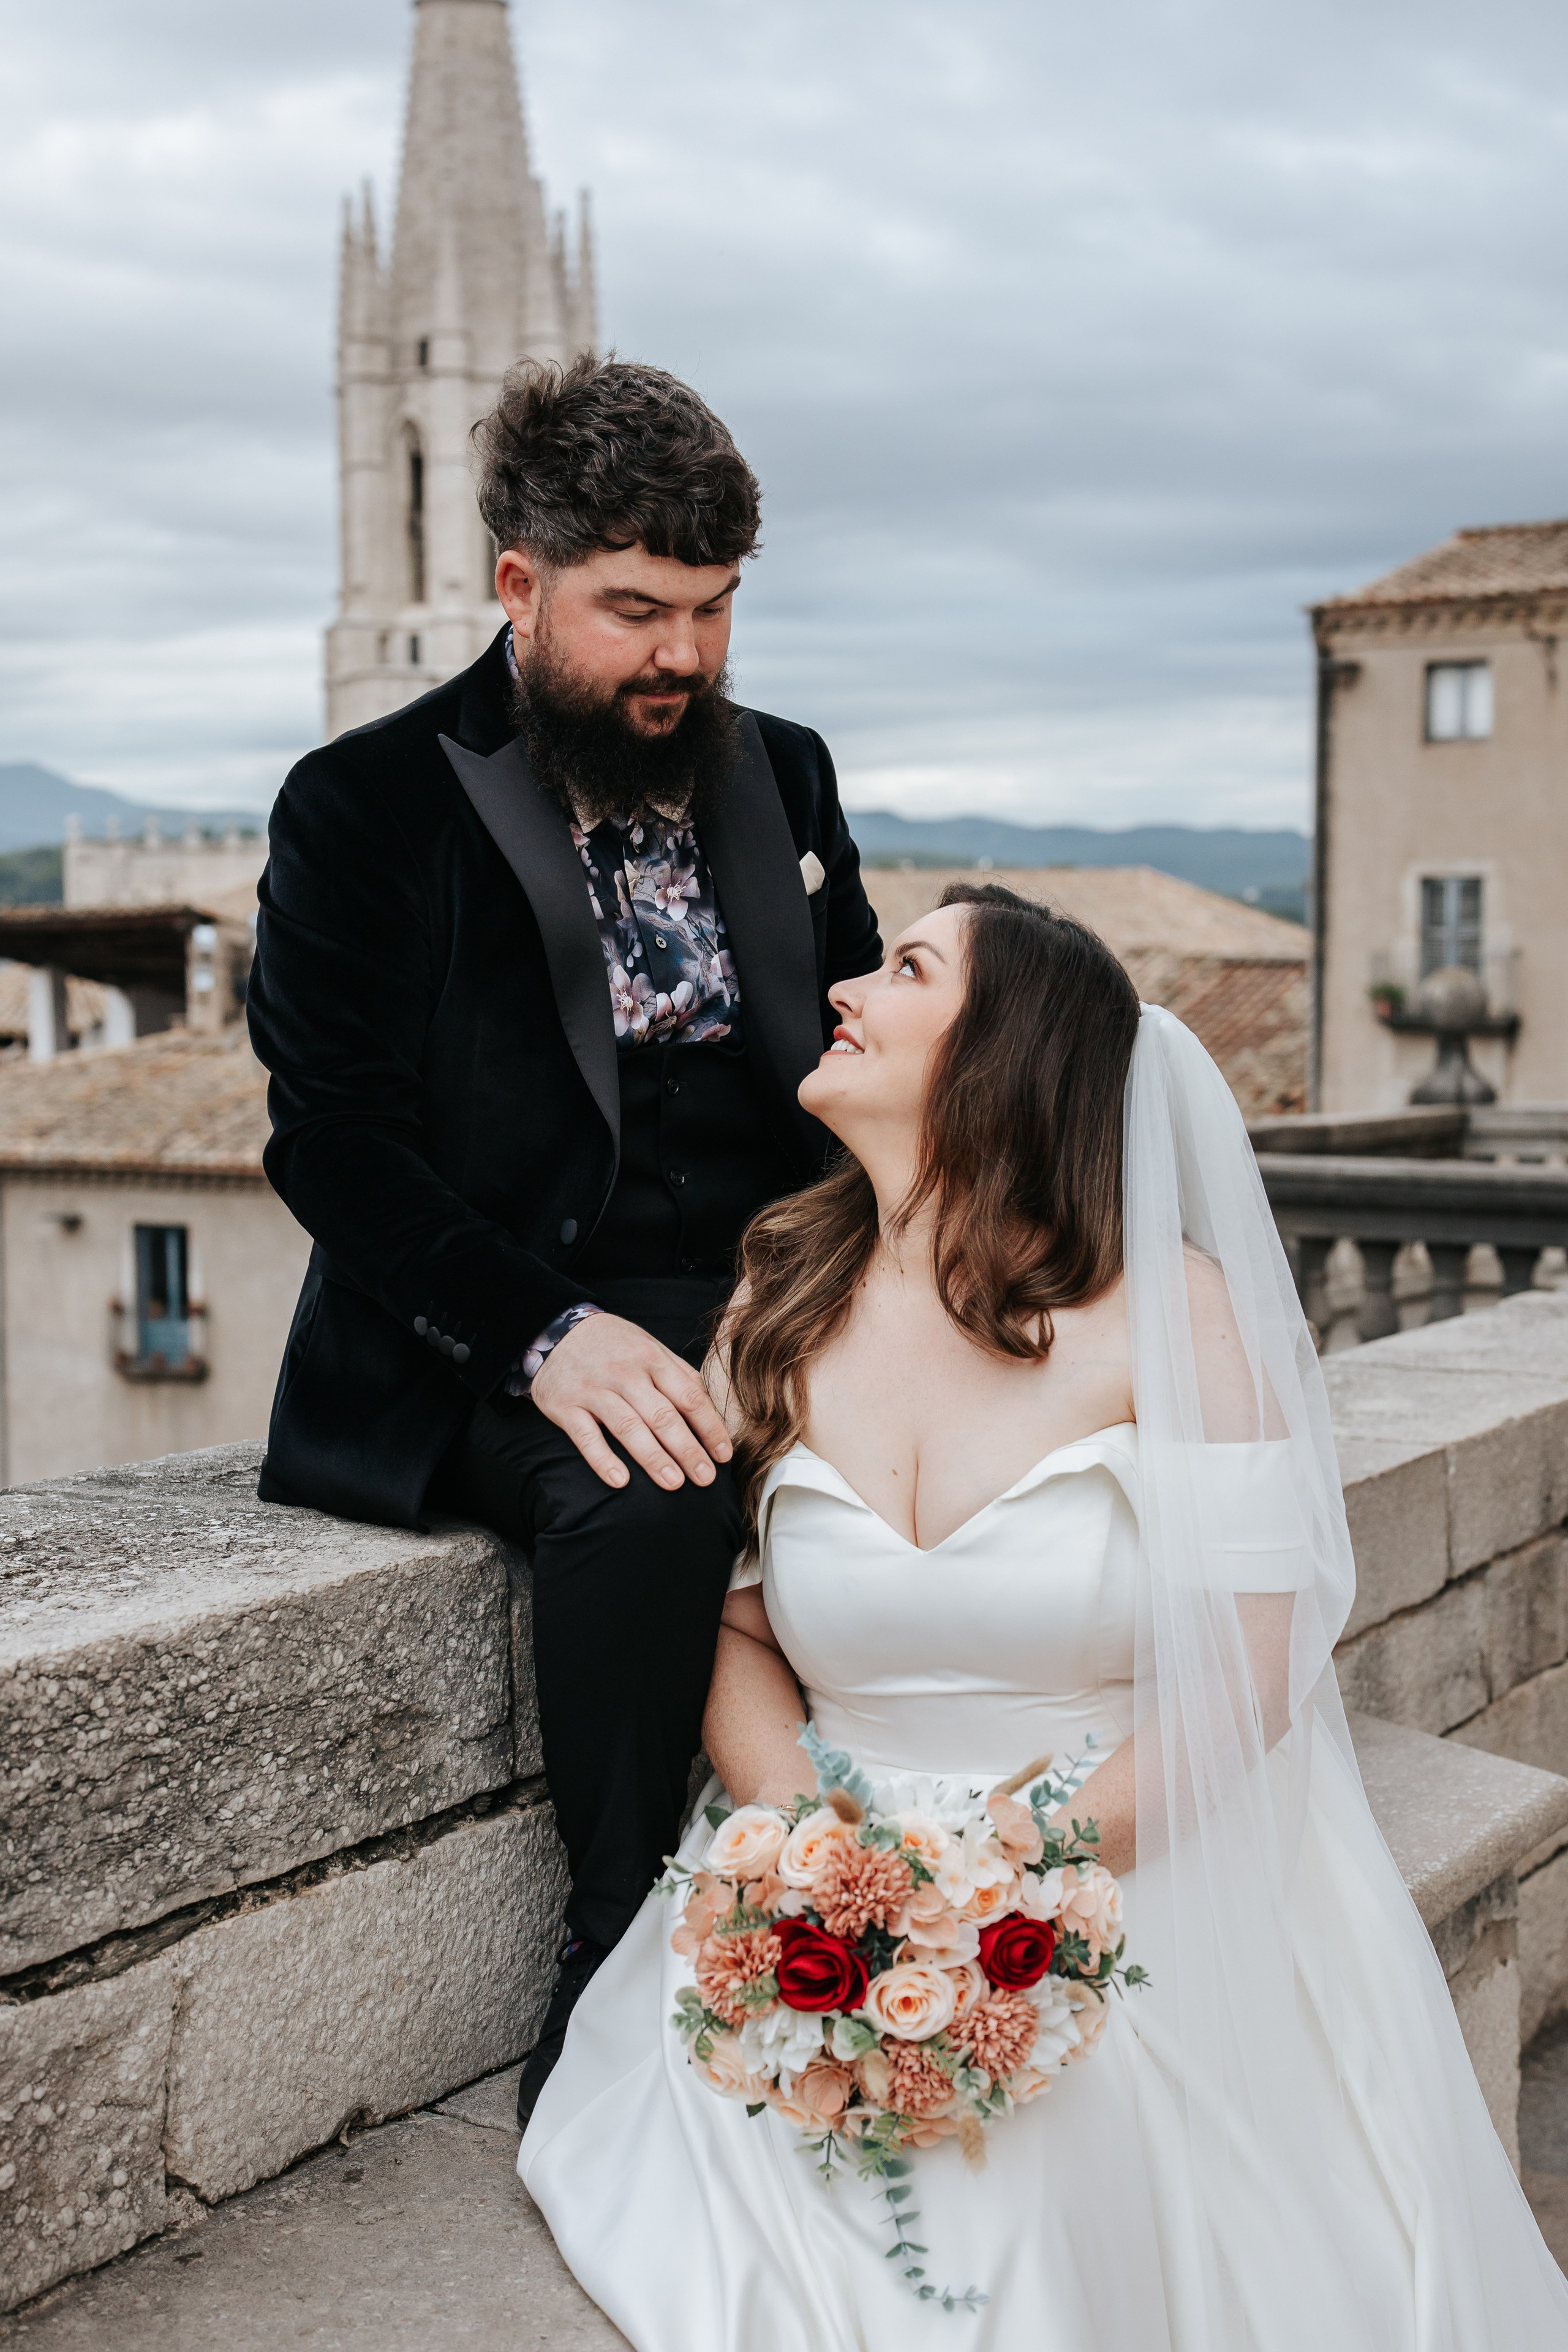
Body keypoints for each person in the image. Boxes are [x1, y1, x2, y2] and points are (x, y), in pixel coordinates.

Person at [519, 883, 1568, 2350]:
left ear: (1002, 1053)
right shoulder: (774, 1304)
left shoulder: (1173, 1316)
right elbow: (740, 1635)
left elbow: (1255, 1665)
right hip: (823, 1867)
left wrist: (1021, 1869)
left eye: (901, 970)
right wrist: (821, 1858)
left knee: (1053, 2186)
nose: (843, 991)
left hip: (1124, 1851)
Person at [246, 356, 881, 2125]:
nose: (682, 656)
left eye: (712, 609)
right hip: (475, 1333)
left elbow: (849, 1067)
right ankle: (617, 1958)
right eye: (635, 612)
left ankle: (953, 1891)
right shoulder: (358, 805)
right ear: (516, 587)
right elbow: (338, 1148)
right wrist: (548, 1335)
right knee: (658, 1479)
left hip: (756, 1298)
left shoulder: (790, 773)